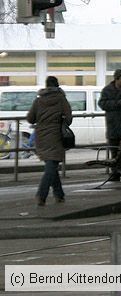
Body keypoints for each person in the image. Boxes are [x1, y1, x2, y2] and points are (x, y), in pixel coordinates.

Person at [26, 76, 72, 206]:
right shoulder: (61, 99)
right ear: (57, 86)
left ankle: (59, 195)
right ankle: (41, 194)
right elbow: (68, 118)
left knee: (51, 165)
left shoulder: (38, 100)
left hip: (41, 135)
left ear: (46, 86)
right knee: (51, 166)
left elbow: (30, 118)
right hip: (56, 135)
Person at [99, 69, 121, 181]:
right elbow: (102, 104)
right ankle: (116, 172)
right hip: (113, 126)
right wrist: (119, 103)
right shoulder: (107, 90)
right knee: (114, 151)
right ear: (116, 79)